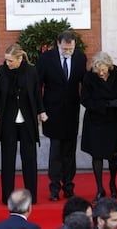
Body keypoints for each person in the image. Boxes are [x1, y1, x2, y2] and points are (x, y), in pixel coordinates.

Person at [0, 43, 47, 205]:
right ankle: (7, 197)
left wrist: (41, 112)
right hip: (8, 120)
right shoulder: (2, 71)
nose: (7, 63)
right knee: (7, 159)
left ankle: (31, 197)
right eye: (6, 60)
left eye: (10, 61)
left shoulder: (31, 71)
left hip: (27, 120)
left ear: (20, 58)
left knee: (29, 159)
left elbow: (37, 94)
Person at [36, 30, 87, 201]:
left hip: (72, 112)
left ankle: (69, 186)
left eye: (70, 49)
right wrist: (40, 110)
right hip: (53, 112)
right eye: (65, 49)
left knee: (70, 152)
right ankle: (54, 188)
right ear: (58, 44)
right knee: (56, 151)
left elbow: (84, 82)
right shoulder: (46, 58)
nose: (68, 52)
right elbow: (38, 85)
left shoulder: (80, 57)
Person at [80, 51, 117, 203]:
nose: (100, 72)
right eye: (98, 69)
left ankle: (113, 184)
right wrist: (106, 104)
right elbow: (85, 99)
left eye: (103, 69)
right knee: (97, 155)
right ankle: (100, 188)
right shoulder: (89, 77)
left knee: (113, 154)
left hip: (114, 120)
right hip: (95, 120)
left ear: (109, 66)